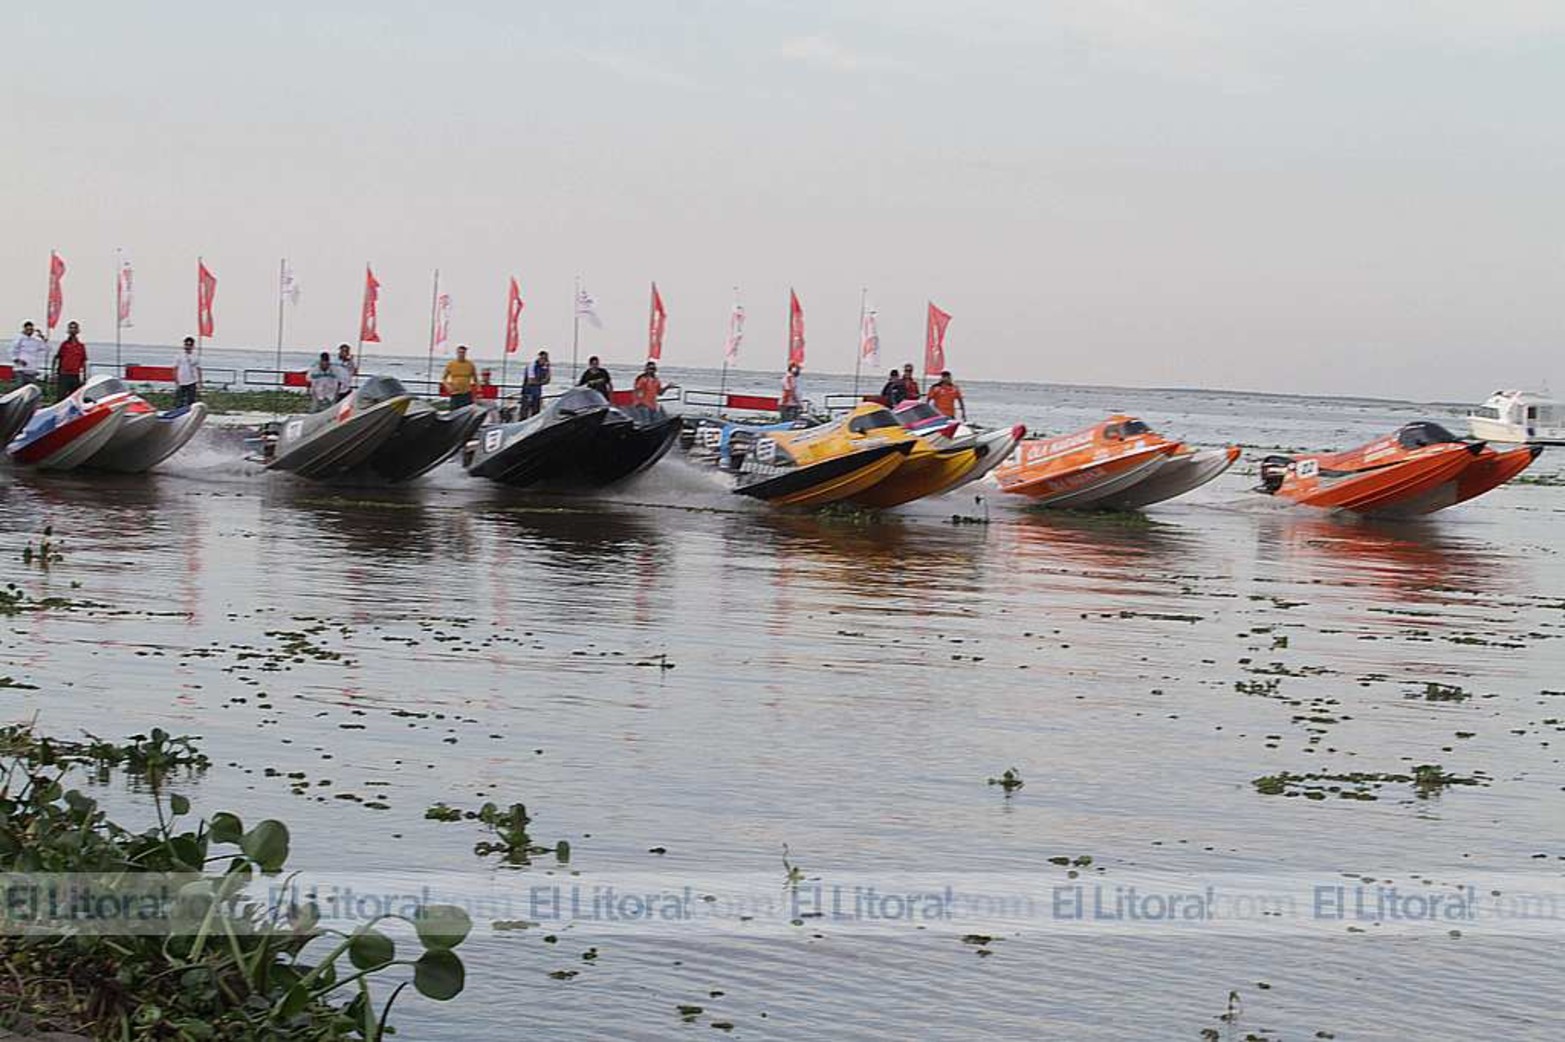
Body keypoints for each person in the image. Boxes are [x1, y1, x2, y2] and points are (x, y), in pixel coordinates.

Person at [53, 321, 87, 398]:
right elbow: (57, 358)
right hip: (64, 374)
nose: (73, 330)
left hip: (75, 375)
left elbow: (83, 362)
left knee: (75, 397)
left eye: (74, 328)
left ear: (78, 330)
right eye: (71, 328)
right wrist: (55, 373)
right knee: (61, 396)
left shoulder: (81, 346)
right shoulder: (64, 345)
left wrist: (84, 377)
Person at [10, 321, 46, 389]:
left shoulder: (35, 340)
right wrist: (17, 360)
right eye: (27, 329)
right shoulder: (19, 338)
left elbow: (46, 348)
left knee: (30, 389)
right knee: (20, 388)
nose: (29, 331)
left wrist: (42, 337)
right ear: (24, 329)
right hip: (21, 369)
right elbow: (13, 351)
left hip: (32, 369)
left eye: (31, 329)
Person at [442, 345, 478, 409]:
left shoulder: (470, 364)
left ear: (465, 353)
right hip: (455, 393)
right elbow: (444, 378)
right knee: (454, 411)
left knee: (467, 411)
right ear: (457, 353)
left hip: (466, 393)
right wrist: (447, 386)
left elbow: (476, 379)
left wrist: (478, 392)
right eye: (460, 352)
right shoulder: (451, 364)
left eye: (463, 352)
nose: (461, 354)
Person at [520, 350, 551, 418]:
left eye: (545, 359)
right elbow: (531, 381)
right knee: (525, 411)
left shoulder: (544, 367)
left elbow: (548, 380)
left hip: (537, 393)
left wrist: (548, 368)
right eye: (542, 358)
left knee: (536, 412)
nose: (543, 360)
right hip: (528, 392)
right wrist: (541, 382)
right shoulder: (532, 366)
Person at [173, 337, 202, 407]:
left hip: (192, 381)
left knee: (191, 400)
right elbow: (175, 368)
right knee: (179, 400)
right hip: (181, 380)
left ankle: (189, 410)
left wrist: (200, 381)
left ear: (193, 346)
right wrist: (176, 380)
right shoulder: (179, 355)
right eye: (187, 344)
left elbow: (198, 369)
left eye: (190, 345)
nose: (188, 346)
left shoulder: (195, 356)